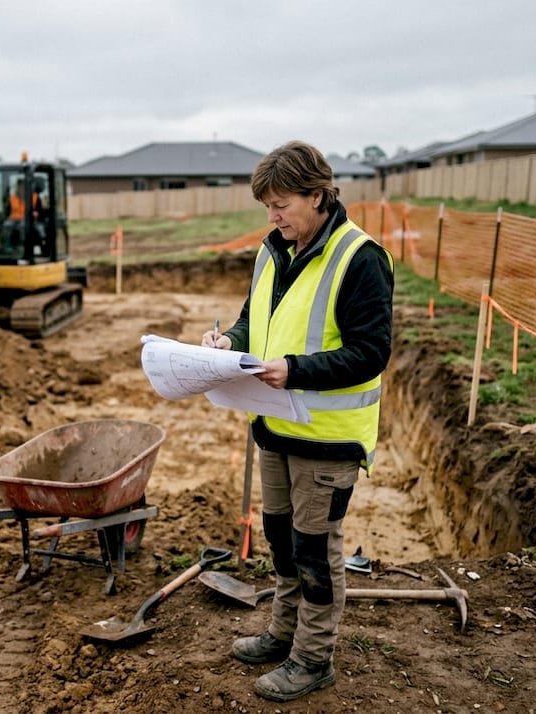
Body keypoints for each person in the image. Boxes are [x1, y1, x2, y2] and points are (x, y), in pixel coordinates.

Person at [202, 140, 393, 703]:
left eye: (281, 204)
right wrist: (226, 343)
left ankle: (313, 660)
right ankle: (283, 635)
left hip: (326, 440)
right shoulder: (272, 250)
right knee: (283, 542)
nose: (273, 216)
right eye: (267, 206)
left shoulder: (360, 258)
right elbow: (251, 321)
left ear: (318, 195)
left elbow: (370, 352)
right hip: (275, 427)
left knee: (315, 550)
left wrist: (297, 370)